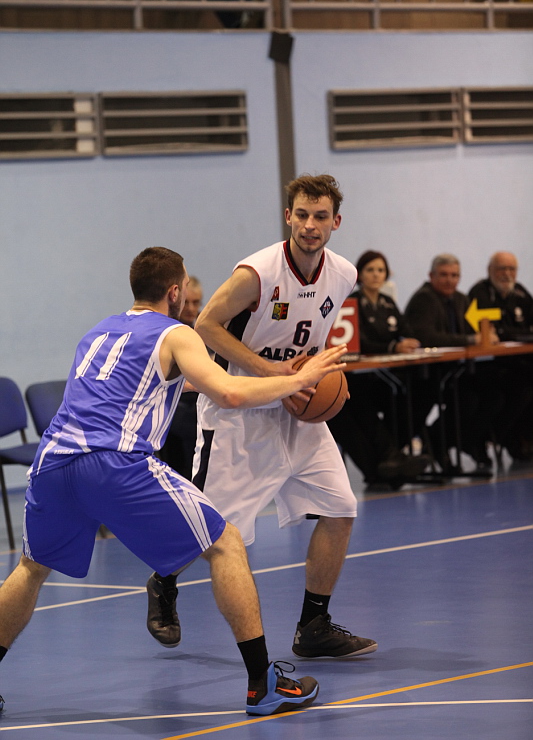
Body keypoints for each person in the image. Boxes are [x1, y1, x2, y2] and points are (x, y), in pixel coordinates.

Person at [0, 246, 351, 716]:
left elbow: (149, 385)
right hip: (114, 461)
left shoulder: (98, 332)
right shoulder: (176, 333)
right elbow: (228, 392)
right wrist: (298, 380)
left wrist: (263, 376)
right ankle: (262, 684)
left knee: (30, 568)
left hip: (52, 462)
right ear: (174, 291)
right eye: (185, 287)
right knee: (226, 543)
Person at [146, 175, 377, 662]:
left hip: (298, 414)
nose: (310, 225)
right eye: (302, 214)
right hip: (241, 412)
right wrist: (269, 371)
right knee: (211, 527)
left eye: (320, 216)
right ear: (288, 217)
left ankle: (313, 625)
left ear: (335, 222)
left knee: (341, 507)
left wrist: (316, 381)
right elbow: (206, 325)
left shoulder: (344, 274)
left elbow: (310, 337)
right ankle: (163, 580)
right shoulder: (257, 273)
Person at [327, 250, 430, 491]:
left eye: (381, 270)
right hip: (357, 377)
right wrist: (392, 346)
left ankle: (390, 461)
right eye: (370, 270)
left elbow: (406, 331)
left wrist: (408, 342)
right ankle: (389, 460)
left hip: (385, 376)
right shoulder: (350, 303)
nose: (376, 275)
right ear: (360, 275)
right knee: (359, 406)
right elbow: (357, 342)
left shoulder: (387, 302)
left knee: (414, 397)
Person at [404, 253, 498, 473]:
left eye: (455, 275)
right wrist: (470, 340)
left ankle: (455, 441)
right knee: (468, 400)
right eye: (444, 275)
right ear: (431, 276)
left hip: (456, 371)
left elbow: (473, 331)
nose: (450, 280)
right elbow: (426, 337)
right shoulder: (423, 299)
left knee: (495, 395)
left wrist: (488, 335)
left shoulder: (461, 299)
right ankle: (438, 442)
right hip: (428, 375)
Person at [468, 252, 533, 462]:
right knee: (519, 390)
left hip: (520, 361)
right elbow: (491, 333)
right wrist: (518, 334)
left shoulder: (521, 293)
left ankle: (522, 438)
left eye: (511, 269)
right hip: (489, 365)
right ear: (490, 271)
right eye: (501, 268)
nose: (507, 274)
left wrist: (512, 334)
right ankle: (498, 437)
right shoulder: (480, 293)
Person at [157, 275, 203, 479]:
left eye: (196, 302)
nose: (191, 308)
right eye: (188, 302)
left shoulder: (206, 331)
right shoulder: (166, 333)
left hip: (199, 405)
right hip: (175, 407)